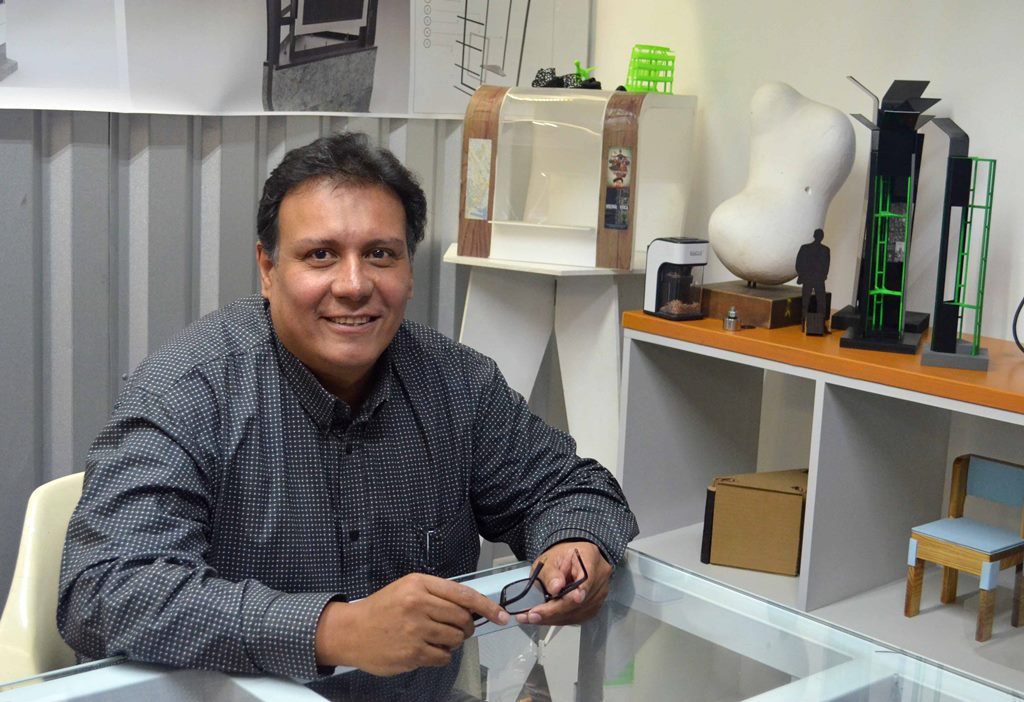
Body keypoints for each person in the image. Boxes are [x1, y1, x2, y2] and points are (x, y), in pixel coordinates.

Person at [57, 132, 639, 686]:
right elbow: (103, 589)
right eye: (321, 255)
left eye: (380, 254)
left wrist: (574, 544)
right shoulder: (188, 392)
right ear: (268, 269)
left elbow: (572, 488)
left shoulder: (457, 383)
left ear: (409, 272)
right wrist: (332, 630)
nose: (355, 285)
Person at [795, 228, 830, 334]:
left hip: (810, 279)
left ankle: (804, 324)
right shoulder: (825, 250)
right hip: (817, 279)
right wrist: (823, 276)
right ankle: (820, 325)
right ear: (821, 237)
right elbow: (826, 266)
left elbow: (798, 264)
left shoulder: (805, 248)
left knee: (807, 302)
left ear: (814, 236)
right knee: (820, 303)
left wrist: (802, 275)